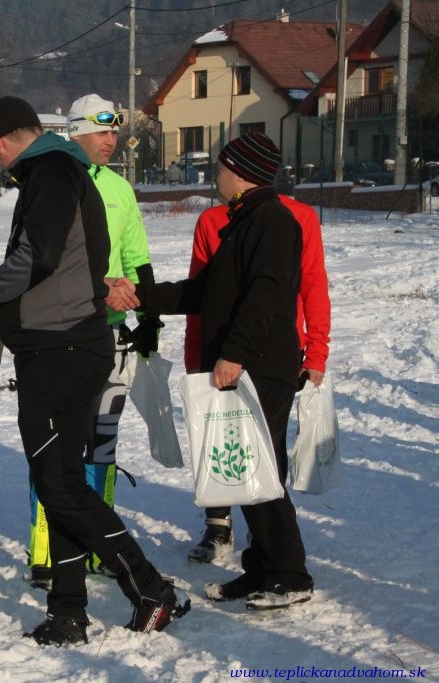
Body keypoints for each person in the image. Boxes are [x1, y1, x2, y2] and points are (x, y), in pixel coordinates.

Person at [0, 95, 189, 645]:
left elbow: (37, 259)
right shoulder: (66, 173)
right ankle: (67, 609)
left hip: (61, 348)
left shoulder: (52, 173)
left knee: (58, 485)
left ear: (1, 142)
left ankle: (149, 588)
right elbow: (81, 262)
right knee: (60, 482)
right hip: (66, 344)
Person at [135, 132, 315, 610]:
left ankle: (290, 575)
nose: (215, 176)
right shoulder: (244, 222)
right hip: (247, 365)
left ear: (241, 172)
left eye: (220, 168)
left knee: (262, 470)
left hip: (261, 366)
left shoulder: (272, 222)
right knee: (248, 471)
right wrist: (139, 295)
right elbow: (204, 292)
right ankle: (262, 569)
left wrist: (234, 354)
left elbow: (267, 295)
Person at [26, 93, 163, 588]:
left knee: (101, 442)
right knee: (56, 446)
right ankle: (46, 550)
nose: (111, 141)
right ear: (76, 133)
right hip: (62, 329)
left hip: (108, 332)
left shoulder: (120, 188)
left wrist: (149, 318)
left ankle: (99, 547)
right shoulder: (52, 179)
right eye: (102, 132)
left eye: (114, 132)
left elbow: (137, 258)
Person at [184, 195, 331, 564]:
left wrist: (316, 350)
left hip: (274, 354)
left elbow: (313, 282)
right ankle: (218, 524)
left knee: (266, 448)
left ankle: (269, 542)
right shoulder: (212, 220)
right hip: (220, 353)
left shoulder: (297, 217)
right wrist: (195, 358)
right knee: (218, 438)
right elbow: (200, 294)